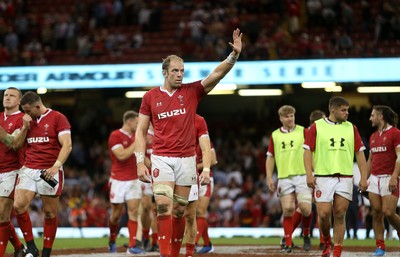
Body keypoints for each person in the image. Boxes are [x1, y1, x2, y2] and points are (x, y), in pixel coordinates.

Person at [134, 28, 242, 257]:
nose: (180, 74)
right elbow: (141, 131)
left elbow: (216, 75)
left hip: (187, 160)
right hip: (161, 158)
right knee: (163, 205)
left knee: (181, 210)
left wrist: (233, 57)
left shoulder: (192, 92)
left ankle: (174, 253)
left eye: (182, 70)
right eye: (175, 70)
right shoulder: (150, 97)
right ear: (165, 72)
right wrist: (139, 162)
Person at [304, 96, 368, 257]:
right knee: (324, 214)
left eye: (347, 110)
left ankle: (337, 251)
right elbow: (307, 152)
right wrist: (308, 175)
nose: (347, 113)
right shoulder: (316, 127)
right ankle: (326, 241)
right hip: (323, 177)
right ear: (333, 109)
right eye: (343, 110)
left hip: (345, 177)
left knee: (340, 213)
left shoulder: (351, 128)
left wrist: (364, 177)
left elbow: (360, 154)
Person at [12, 91, 72, 257]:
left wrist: (56, 166)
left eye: (28, 110)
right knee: (18, 206)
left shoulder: (58, 118)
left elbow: (67, 145)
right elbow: (16, 145)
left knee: (50, 212)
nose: (26, 114)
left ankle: (46, 252)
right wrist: (24, 126)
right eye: (23, 111)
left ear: (37, 106)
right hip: (29, 168)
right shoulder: (25, 121)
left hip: (50, 169)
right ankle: (31, 246)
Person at [265, 105, 312, 253]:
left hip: (302, 175)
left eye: (292, 115)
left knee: (306, 209)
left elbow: (312, 151)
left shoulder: (304, 131)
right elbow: (270, 157)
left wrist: (313, 172)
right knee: (288, 209)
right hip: (284, 177)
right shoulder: (275, 135)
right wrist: (269, 177)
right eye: (287, 116)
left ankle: (306, 234)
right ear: (281, 118)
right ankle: (288, 243)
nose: (290, 118)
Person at [107, 110, 144, 254]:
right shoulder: (115, 136)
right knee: (116, 214)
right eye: (136, 122)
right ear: (129, 121)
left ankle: (133, 245)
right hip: (118, 179)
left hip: (134, 178)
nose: (138, 125)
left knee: (133, 211)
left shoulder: (136, 136)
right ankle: (112, 239)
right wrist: (137, 142)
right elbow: (121, 155)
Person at [366, 105, 400, 256]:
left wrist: (394, 176)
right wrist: (364, 179)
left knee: (388, 212)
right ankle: (380, 247)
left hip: (389, 177)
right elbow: (370, 160)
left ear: (380, 117)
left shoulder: (395, 133)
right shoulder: (373, 136)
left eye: (372, 115)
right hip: (374, 178)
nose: (370, 118)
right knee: (376, 213)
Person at [0, 87, 29, 257]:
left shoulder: (22, 119)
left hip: (12, 170)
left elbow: (14, 144)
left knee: (3, 212)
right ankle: (19, 248)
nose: (8, 98)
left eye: (12, 96)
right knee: (1, 215)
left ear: (19, 101)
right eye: (6, 95)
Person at [184, 114, 216, 257]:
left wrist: (195, 166)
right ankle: (207, 244)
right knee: (192, 213)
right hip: (189, 178)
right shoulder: (183, 141)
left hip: (204, 178)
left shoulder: (205, 141)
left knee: (200, 211)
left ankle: (195, 242)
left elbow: (213, 160)